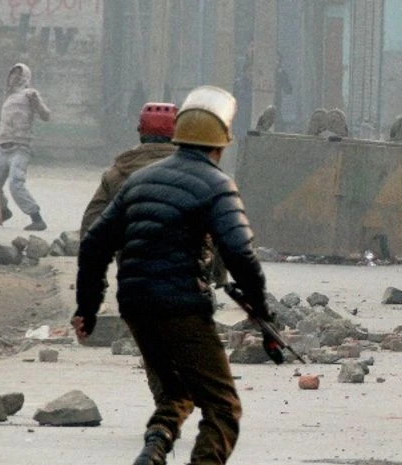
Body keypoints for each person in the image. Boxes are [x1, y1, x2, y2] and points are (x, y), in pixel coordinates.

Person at [72, 85, 273, 465]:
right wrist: (258, 307)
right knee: (222, 406)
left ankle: (155, 447)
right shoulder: (215, 182)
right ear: (220, 144)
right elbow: (238, 249)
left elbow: (92, 236)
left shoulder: (125, 176)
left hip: (134, 295)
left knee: (172, 388)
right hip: (182, 299)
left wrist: (89, 306)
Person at [80, 102, 178, 238]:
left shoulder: (115, 173)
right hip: (183, 256)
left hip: (130, 255)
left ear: (140, 130)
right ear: (177, 132)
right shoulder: (196, 172)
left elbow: (91, 222)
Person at [0, 63, 50, 231]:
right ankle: (4, 211)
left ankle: (37, 218)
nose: (14, 77)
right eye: (12, 74)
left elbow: (46, 116)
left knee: (16, 183)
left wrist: (37, 102)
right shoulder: (8, 97)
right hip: (3, 149)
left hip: (20, 148)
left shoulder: (30, 94)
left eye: (18, 74)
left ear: (24, 77)